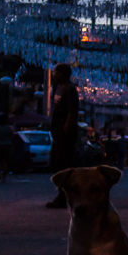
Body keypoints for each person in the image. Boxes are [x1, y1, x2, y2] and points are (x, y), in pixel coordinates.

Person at [45, 63, 79, 209]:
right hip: (58, 133)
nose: (53, 75)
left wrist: (66, 128)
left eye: (56, 73)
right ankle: (63, 195)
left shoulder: (70, 89)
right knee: (57, 165)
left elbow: (72, 111)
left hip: (65, 135)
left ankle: (64, 197)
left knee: (63, 167)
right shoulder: (59, 88)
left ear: (62, 74)